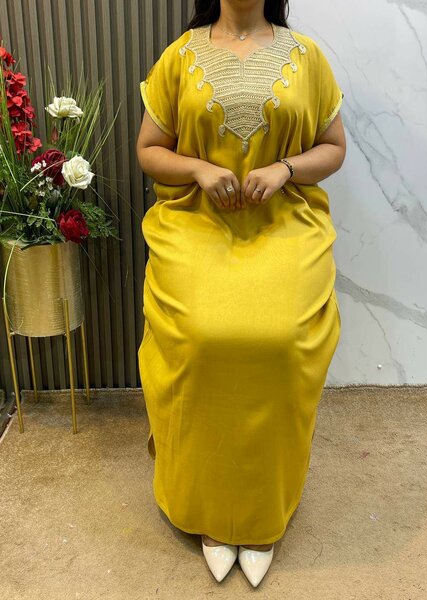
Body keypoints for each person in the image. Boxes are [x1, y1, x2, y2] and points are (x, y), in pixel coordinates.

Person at [136, 0, 345, 588]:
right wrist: (199, 170)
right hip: (196, 226)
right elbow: (148, 149)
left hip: (284, 226)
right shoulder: (180, 56)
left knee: (280, 339)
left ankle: (258, 513)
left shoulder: (306, 57)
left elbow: (334, 147)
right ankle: (206, 506)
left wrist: (285, 169)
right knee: (202, 337)